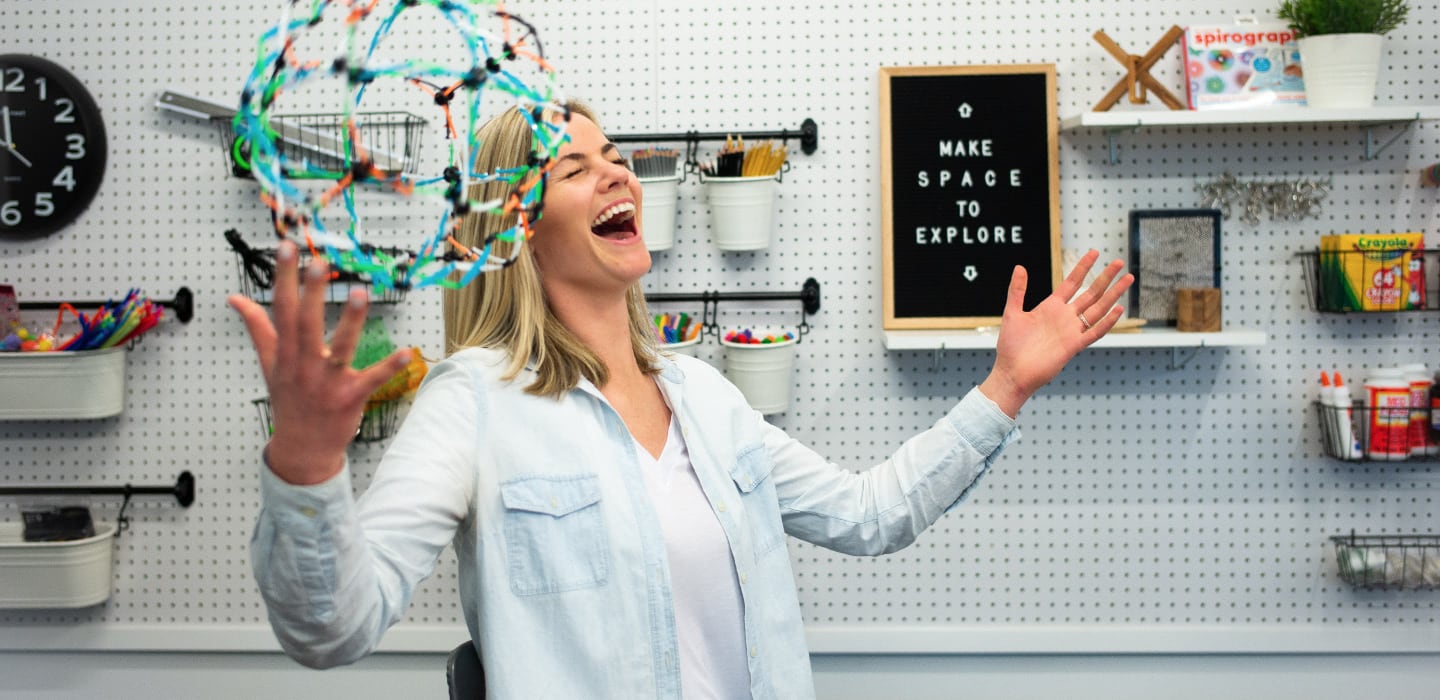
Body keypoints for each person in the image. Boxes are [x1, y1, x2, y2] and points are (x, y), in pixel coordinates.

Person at [228, 100, 1132, 699]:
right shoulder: (474, 403)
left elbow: (871, 514)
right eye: (577, 167)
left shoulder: (703, 394)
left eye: (616, 157)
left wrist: (1006, 385)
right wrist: (308, 466)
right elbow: (331, 629)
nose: (619, 174)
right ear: (515, 230)